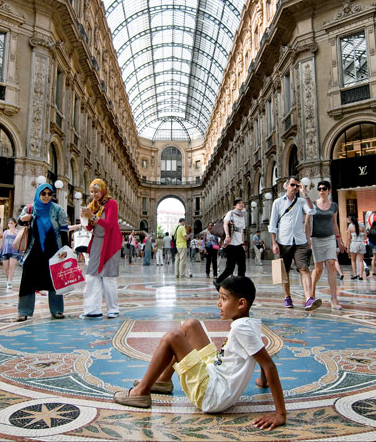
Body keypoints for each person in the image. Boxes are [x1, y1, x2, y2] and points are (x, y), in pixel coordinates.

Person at [112, 276, 287, 431]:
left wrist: (280, 413)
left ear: (241, 303)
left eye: (223, 299)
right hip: (215, 375)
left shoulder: (241, 328)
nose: (218, 303)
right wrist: (263, 382)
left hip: (212, 395)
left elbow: (268, 364)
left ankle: (140, 393)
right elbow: (263, 355)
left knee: (172, 337)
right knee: (191, 324)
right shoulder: (250, 324)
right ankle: (164, 381)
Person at [16, 183, 70, 321]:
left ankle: (57, 310)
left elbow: (64, 231)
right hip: (34, 250)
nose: (46, 197)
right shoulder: (30, 209)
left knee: (55, 280)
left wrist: (65, 250)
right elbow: (20, 221)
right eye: (43, 194)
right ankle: (24, 311)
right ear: (38, 195)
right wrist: (24, 219)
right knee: (27, 280)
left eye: (49, 194)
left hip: (53, 250)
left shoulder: (58, 210)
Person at [268, 175, 317, 309]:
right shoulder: (278, 202)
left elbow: (312, 210)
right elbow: (272, 225)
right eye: (292, 185)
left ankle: (309, 299)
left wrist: (306, 194)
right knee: (285, 271)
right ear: (286, 186)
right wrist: (274, 243)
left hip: (300, 241)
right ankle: (287, 297)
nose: (295, 188)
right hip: (284, 241)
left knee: (304, 268)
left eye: (297, 185)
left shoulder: (301, 202)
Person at [81, 179, 123, 319]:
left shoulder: (112, 204)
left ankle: (113, 309)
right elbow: (89, 228)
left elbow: (110, 225)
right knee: (92, 276)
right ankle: (92, 309)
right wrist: (85, 219)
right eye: (92, 192)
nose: (94, 194)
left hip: (110, 243)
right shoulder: (93, 205)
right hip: (97, 243)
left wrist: (92, 216)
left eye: (96, 191)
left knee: (108, 277)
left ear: (103, 190)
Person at [306, 181, 344, 310]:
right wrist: (308, 239)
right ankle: (311, 294)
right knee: (318, 269)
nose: (321, 191)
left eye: (324, 188)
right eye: (319, 189)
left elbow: (334, 223)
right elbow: (307, 222)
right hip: (316, 238)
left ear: (329, 190)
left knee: (331, 264)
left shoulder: (334, 206)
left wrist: (339, 240)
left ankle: (334, 297)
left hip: (329, 238)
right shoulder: (313, 205)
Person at [214, 198, 247, 289]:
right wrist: (227, 235)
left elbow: (242, 231)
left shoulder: (242, 216)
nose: (241, 204)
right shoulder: (231, 213)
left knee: (242, 267)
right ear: (234, 206)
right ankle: (218, 281)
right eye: (239, 203)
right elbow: (225, 224)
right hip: (231, 244)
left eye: (242, 203)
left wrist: (243, 244)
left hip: (239, 244)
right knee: (230, 268)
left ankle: (241, 286)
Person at [0, 217, 22, 289]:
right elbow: (2, 241)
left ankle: (9, 281)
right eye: (9, 223)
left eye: (12, 223)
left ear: (15, 224)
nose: (10, 225)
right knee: (5, 267)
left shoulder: (18, 232)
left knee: (11, 266)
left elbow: (19, 240)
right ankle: (8, 278)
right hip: (5, 250)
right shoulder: (5, 232)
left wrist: (14, 232)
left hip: (14, 251)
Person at [347, 215, 367, 280]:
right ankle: (361, 275)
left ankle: (355, 274)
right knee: (360, 261)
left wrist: (348, 247)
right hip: (361, 243)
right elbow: (365, 237)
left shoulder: (350, 228)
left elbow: (349, 238)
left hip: (354, 243)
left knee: (353, 260)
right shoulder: (362, 227)